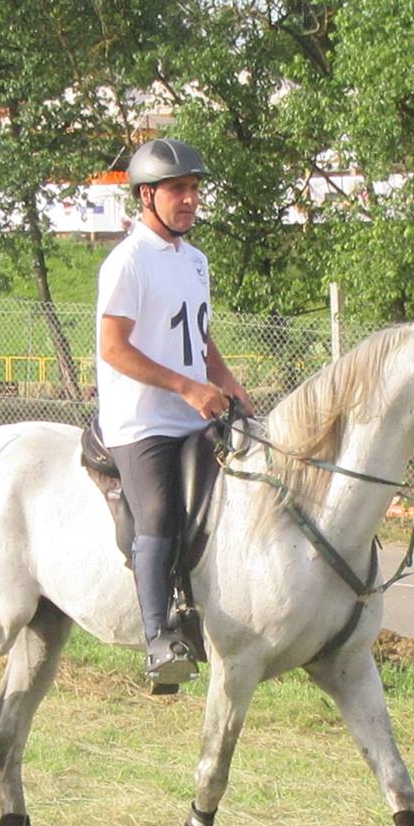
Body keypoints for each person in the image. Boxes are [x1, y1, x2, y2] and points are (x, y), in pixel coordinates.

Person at [95, 138, 251, 687]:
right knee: (160, 512)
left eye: (194, 189)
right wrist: (187, 389)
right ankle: (159, 640)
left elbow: (198, 338)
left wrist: (227, 383)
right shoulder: (127, 263)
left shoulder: (196, 260)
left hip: (194, 412)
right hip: (141, 422)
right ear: (146, 197)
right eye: (177, 189)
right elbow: (113, 348)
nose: (189, 199)